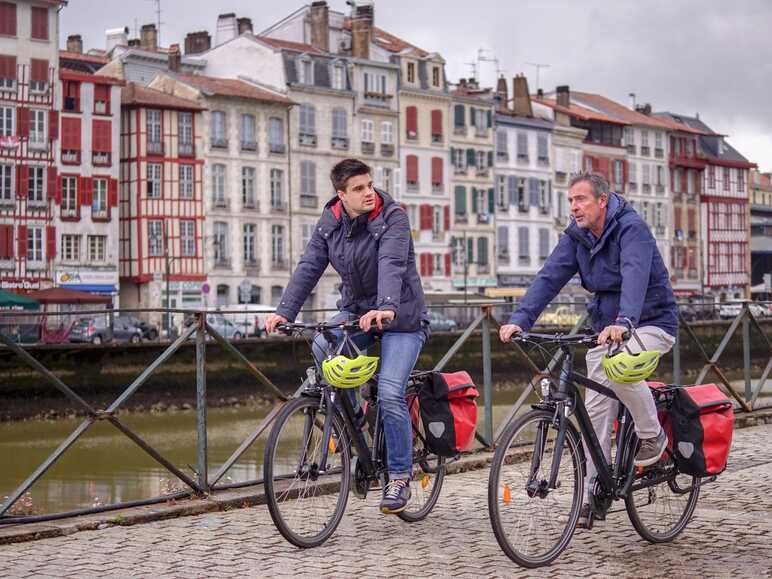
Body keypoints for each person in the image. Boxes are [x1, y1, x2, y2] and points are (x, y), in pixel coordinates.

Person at [498, 171, 678, 527]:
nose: (574, 207)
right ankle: (595, 491)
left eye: (580, 199)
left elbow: (635, 275)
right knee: (594, 410)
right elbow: (550, 277)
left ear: (602, 201)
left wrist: (626, 321)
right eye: (570, 201)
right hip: (606, 331)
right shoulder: (576, 237)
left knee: (622, 369)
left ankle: (651, 435)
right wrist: (521, 319)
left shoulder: (632, 229)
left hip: (651, 322)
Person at [265, 158, 429, 515]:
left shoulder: (393, 217)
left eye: (369, 185)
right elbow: (309, 265)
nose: (369, 193)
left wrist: (387, 306)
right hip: (357, 312)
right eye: (359, 189)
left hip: (401, 317)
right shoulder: (330, 222)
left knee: (389, 391)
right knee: (322, 343)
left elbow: (392, 263)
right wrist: (284, 311)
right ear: (341, 195)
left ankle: (399, 476)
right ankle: (354, 424)